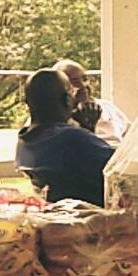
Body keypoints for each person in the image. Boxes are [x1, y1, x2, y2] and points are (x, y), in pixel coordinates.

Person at [15, 69, 115, 206]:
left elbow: (81, 164)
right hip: (94, 217)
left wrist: (87, 129)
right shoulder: (71, 139)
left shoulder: (25, 140)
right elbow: (120, 167)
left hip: (65, 212)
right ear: (67, 99)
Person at [53, 59, 131, 144]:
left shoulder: (106, 106)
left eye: (85, 79)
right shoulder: (60, 117)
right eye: (74, 81)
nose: (83, 85)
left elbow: (132, 133)